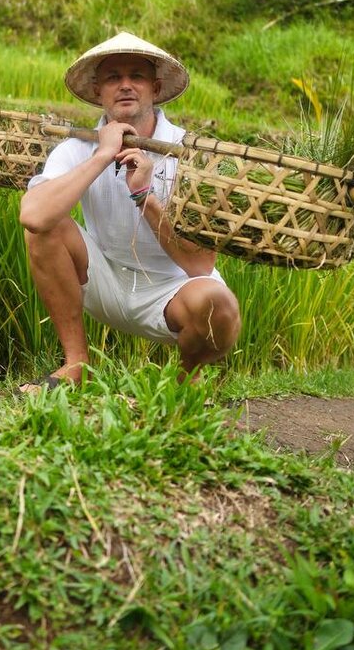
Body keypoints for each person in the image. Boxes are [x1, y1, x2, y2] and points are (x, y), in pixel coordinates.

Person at [18, 32, 241, 389]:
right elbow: (33, 216)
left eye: (136, 76)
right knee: (46, 226)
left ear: (154, 87)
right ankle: (76, 364)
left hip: (173, 289)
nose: (125, 86)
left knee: (221, 308)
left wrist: (144, 197)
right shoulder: (77, 147)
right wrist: (103, 155)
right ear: (97, 91)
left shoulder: (189, 153)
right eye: (112, 78)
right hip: (104, 278)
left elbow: (201, 265)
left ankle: (186, 383)